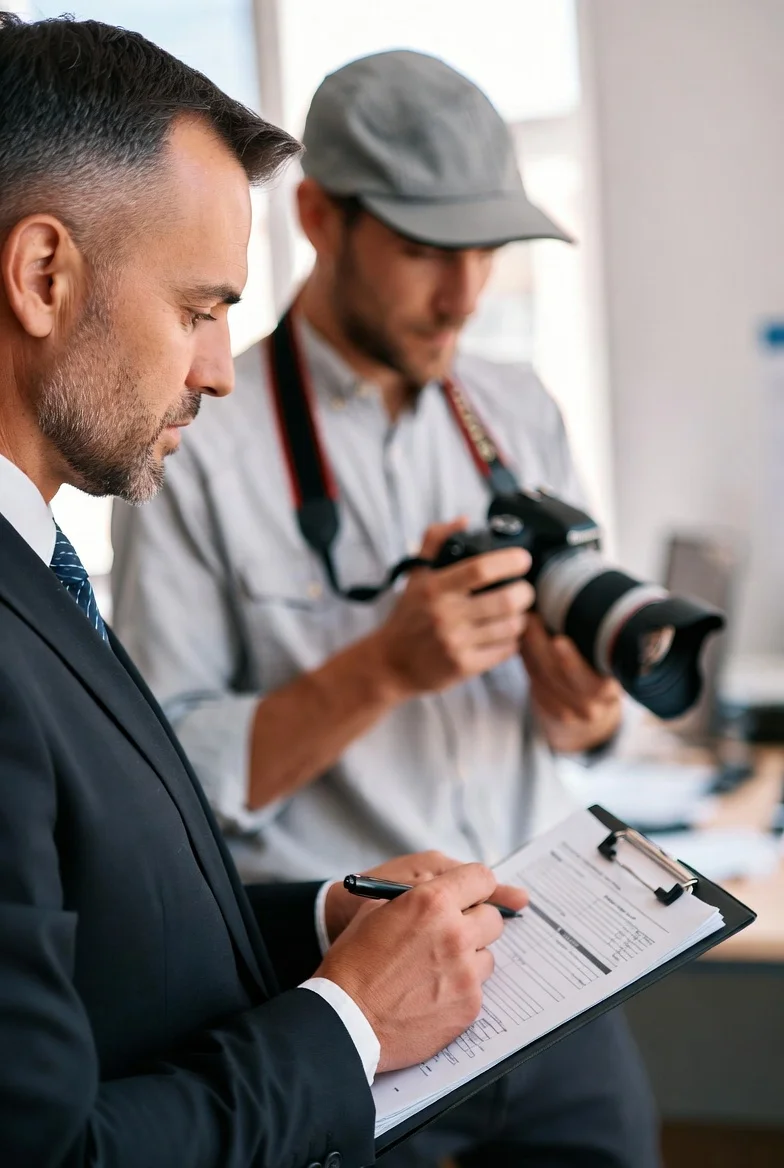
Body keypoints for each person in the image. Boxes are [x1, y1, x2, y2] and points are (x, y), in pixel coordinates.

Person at [112, 50, 660, 1168]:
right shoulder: (193, 432)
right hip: (351, 992)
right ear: (318, 216)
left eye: (483, 251)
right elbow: (168, 783)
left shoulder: (517, 409)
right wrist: (384, 668)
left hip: (541, 959)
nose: (462, 294)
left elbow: (591, 729)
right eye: (423, 249)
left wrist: (587, 709)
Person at [0, 16, 532, 1167]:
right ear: (44, 275)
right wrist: (349, 1018)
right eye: (197, 310)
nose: (215, 369)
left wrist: (331, 918)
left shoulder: (38, 571)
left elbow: (105, 908)